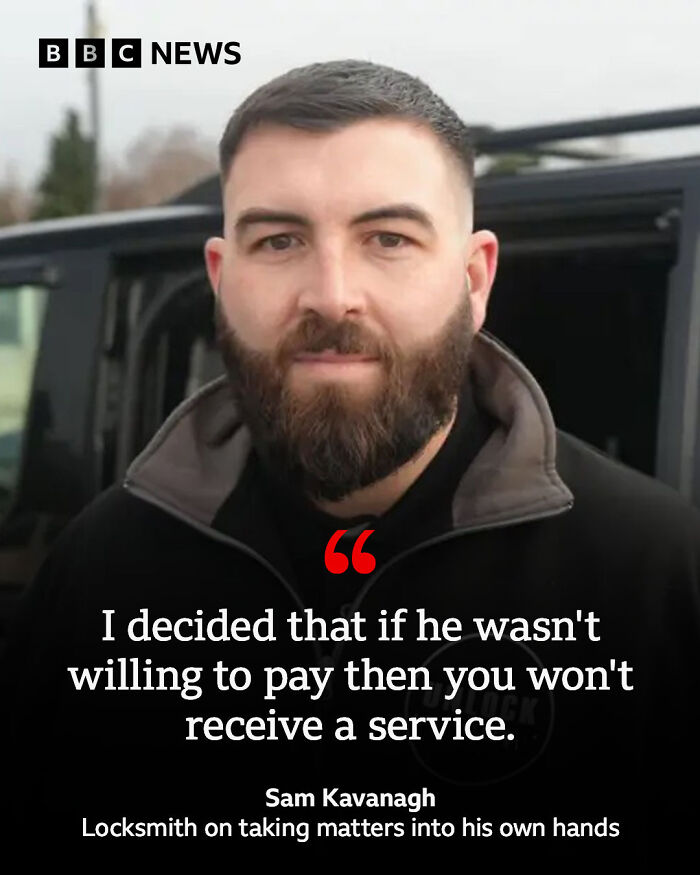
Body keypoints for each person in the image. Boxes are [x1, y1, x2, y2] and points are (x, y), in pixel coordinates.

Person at [1, 59, 698, 869]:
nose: (331, 295)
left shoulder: (656, 578)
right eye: (281, 239)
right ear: (222, 280)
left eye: (388, 238)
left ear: (474, 281)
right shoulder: (101, 569)